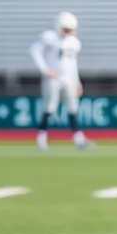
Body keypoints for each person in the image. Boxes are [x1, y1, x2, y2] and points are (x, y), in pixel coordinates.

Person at [31, 12, 90, 150]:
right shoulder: (50, 37)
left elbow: (73, 64)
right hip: (54, 77)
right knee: (49, 107)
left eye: (70, 29)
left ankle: (78, 138)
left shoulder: (74, 42)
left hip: (69, 78)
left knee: (73, 108)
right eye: (66, 29)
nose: (68, 32)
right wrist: (45, 69)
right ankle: (41, 137)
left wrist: (77, 82)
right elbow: (34, 50)